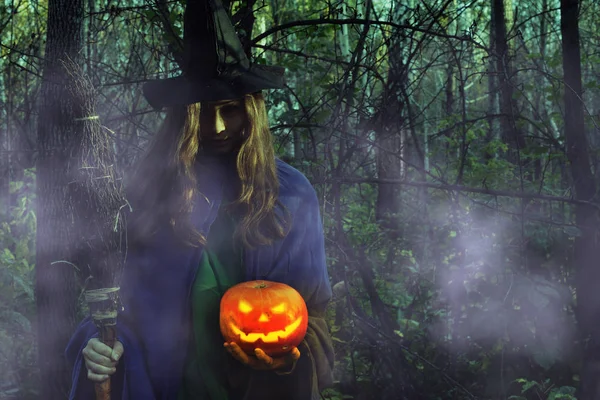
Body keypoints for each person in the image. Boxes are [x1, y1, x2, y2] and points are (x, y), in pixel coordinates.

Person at [65, 0, 334, 399]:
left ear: (253, 111)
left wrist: (286, 359)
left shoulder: (291, 196)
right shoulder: (150, 192)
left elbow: (310, 317)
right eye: (203, 113)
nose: (219, 126)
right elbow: (118, 306)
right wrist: (99, 343)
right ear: (182, 117)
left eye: (231, 109)